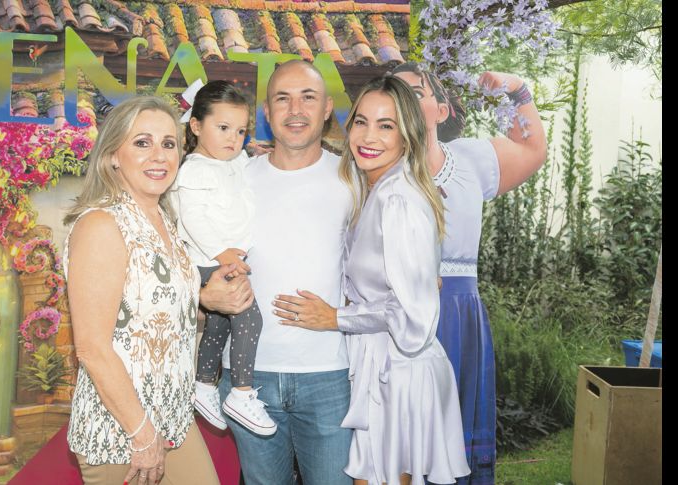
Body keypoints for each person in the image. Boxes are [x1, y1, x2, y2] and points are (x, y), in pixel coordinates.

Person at [273, 75, 471, 485]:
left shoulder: (399, 199)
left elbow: (414, 318)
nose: (369, 136)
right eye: (361, 122)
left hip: (399, 374)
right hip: (375, 367)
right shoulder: (374, 187)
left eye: (386, 125)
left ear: (407, 135)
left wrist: (336, 318)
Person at [63, 95, 253, 485]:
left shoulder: (165, 221)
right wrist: (141, 433)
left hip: (174, 420)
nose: (159, 156)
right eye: (142, 142)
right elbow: (92, 348)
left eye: (168, 144)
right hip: (121, 431)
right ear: (114, 154)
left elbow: (153, 313)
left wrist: (205, 302)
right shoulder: (102, 224)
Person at [391, 62, 548, 484]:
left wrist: (518, 90)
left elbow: (532, 151)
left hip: (458, 318)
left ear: (440, 111)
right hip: (394, 320)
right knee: (398, 446)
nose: (404, 98)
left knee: (454, 445)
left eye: (416, 91)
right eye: (394, 91)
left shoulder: (471, 159)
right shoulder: (371, 169)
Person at [216, 59, 354, 485]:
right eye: (283, 98)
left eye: (308, 97)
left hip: (330, 377)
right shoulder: (232, 179)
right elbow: (195, 255)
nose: (295, 109)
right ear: (266, 110)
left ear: (327, 107)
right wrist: (206, 295)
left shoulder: (355, 181)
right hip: (246, 379)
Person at [171, 80, 276, 436]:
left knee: (218, 326)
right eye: (223, 128)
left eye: (241, 130)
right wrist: (221, 253)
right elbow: (193, 217)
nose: (234, 138)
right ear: (196, 126)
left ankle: (203, 386)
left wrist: (258, 153)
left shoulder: (235, 160)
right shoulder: (196, 169)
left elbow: (245, 183)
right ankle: (241, 393)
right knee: (249, 318)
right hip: (209, 258)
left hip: (226, 256)